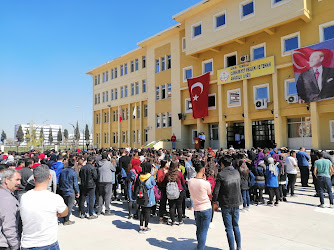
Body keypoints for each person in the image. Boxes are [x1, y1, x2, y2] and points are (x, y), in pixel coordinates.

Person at [20, 165, 68, 250]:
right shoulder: (55, 198)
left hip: (28, 244)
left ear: (33, 178)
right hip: (48, 243)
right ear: (49, 177)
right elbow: (65, 212)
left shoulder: (24, 197)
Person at [213, 156, 242, 250]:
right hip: (236, 201)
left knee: (229, 228)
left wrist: (214, 201)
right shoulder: (237, 172)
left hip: (226, 203)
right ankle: (239, 247)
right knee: (236, 225)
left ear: (222, 164)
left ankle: (232, 248)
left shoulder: (221, 174)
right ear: (230, 164)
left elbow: (216, 191)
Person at [188, 161, 212, 250]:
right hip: (206, 207)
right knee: (204, 232)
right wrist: (204, 180)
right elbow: (209, 193)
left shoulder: (190, 181)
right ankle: (200, 248)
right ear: (203, 169)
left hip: (196, 208)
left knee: (199, 229)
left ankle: (199, 246)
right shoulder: (206, 183)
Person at [0, 169, 21, 250]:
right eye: (17, 180)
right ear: (7, 180)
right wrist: (15, 246)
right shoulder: (7, 198)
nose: (19, 183)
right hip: (4, 244)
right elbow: (9, 226)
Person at [135, 162, 156, 233]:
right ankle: (145, 226)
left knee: (142, 211)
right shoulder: (150, 177)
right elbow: (154, 184)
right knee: (147, 212)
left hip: (141, 195)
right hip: (148, 195)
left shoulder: (139, 176)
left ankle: (140, 226)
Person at [58, 158, 80, 225]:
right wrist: (77, 192)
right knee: (70, 206)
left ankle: (64, 217)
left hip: (63, 189)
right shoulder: (73, 172)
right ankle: (66, 220)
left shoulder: (63, 171)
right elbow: (75, 184)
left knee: (65, 205)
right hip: (70, 190)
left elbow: (60, 180)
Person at [96, 152, 116, 216]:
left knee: (100, 196)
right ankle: (107, 210)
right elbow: (114, 169)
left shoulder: (98, 163)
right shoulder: (108, 163)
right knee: (107, 196)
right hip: (108, 181)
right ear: (107, 157)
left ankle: (99, 210)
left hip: (100, 180)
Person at [166, 161, 185, 226]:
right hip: (179, 190)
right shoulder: (179, 173)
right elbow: (183, 182)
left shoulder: (168, 173)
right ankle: (180, 221)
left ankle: (173, 221)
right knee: (179, 206)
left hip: (170, 191)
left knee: (171, 207)